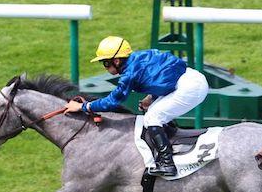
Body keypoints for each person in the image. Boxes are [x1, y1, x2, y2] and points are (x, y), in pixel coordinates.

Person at [65, 36, 209, 178]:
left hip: (190, 88)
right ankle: (169, 142)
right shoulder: (140, 56)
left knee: (153, 118)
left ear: (116, 60)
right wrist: (151, 97)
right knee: (152, 113)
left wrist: (83, 106)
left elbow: (112, 101)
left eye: (105, 63)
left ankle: (167, 164)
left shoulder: (129, 74)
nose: (105, 67)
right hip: (191, 78)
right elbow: (163, 74)